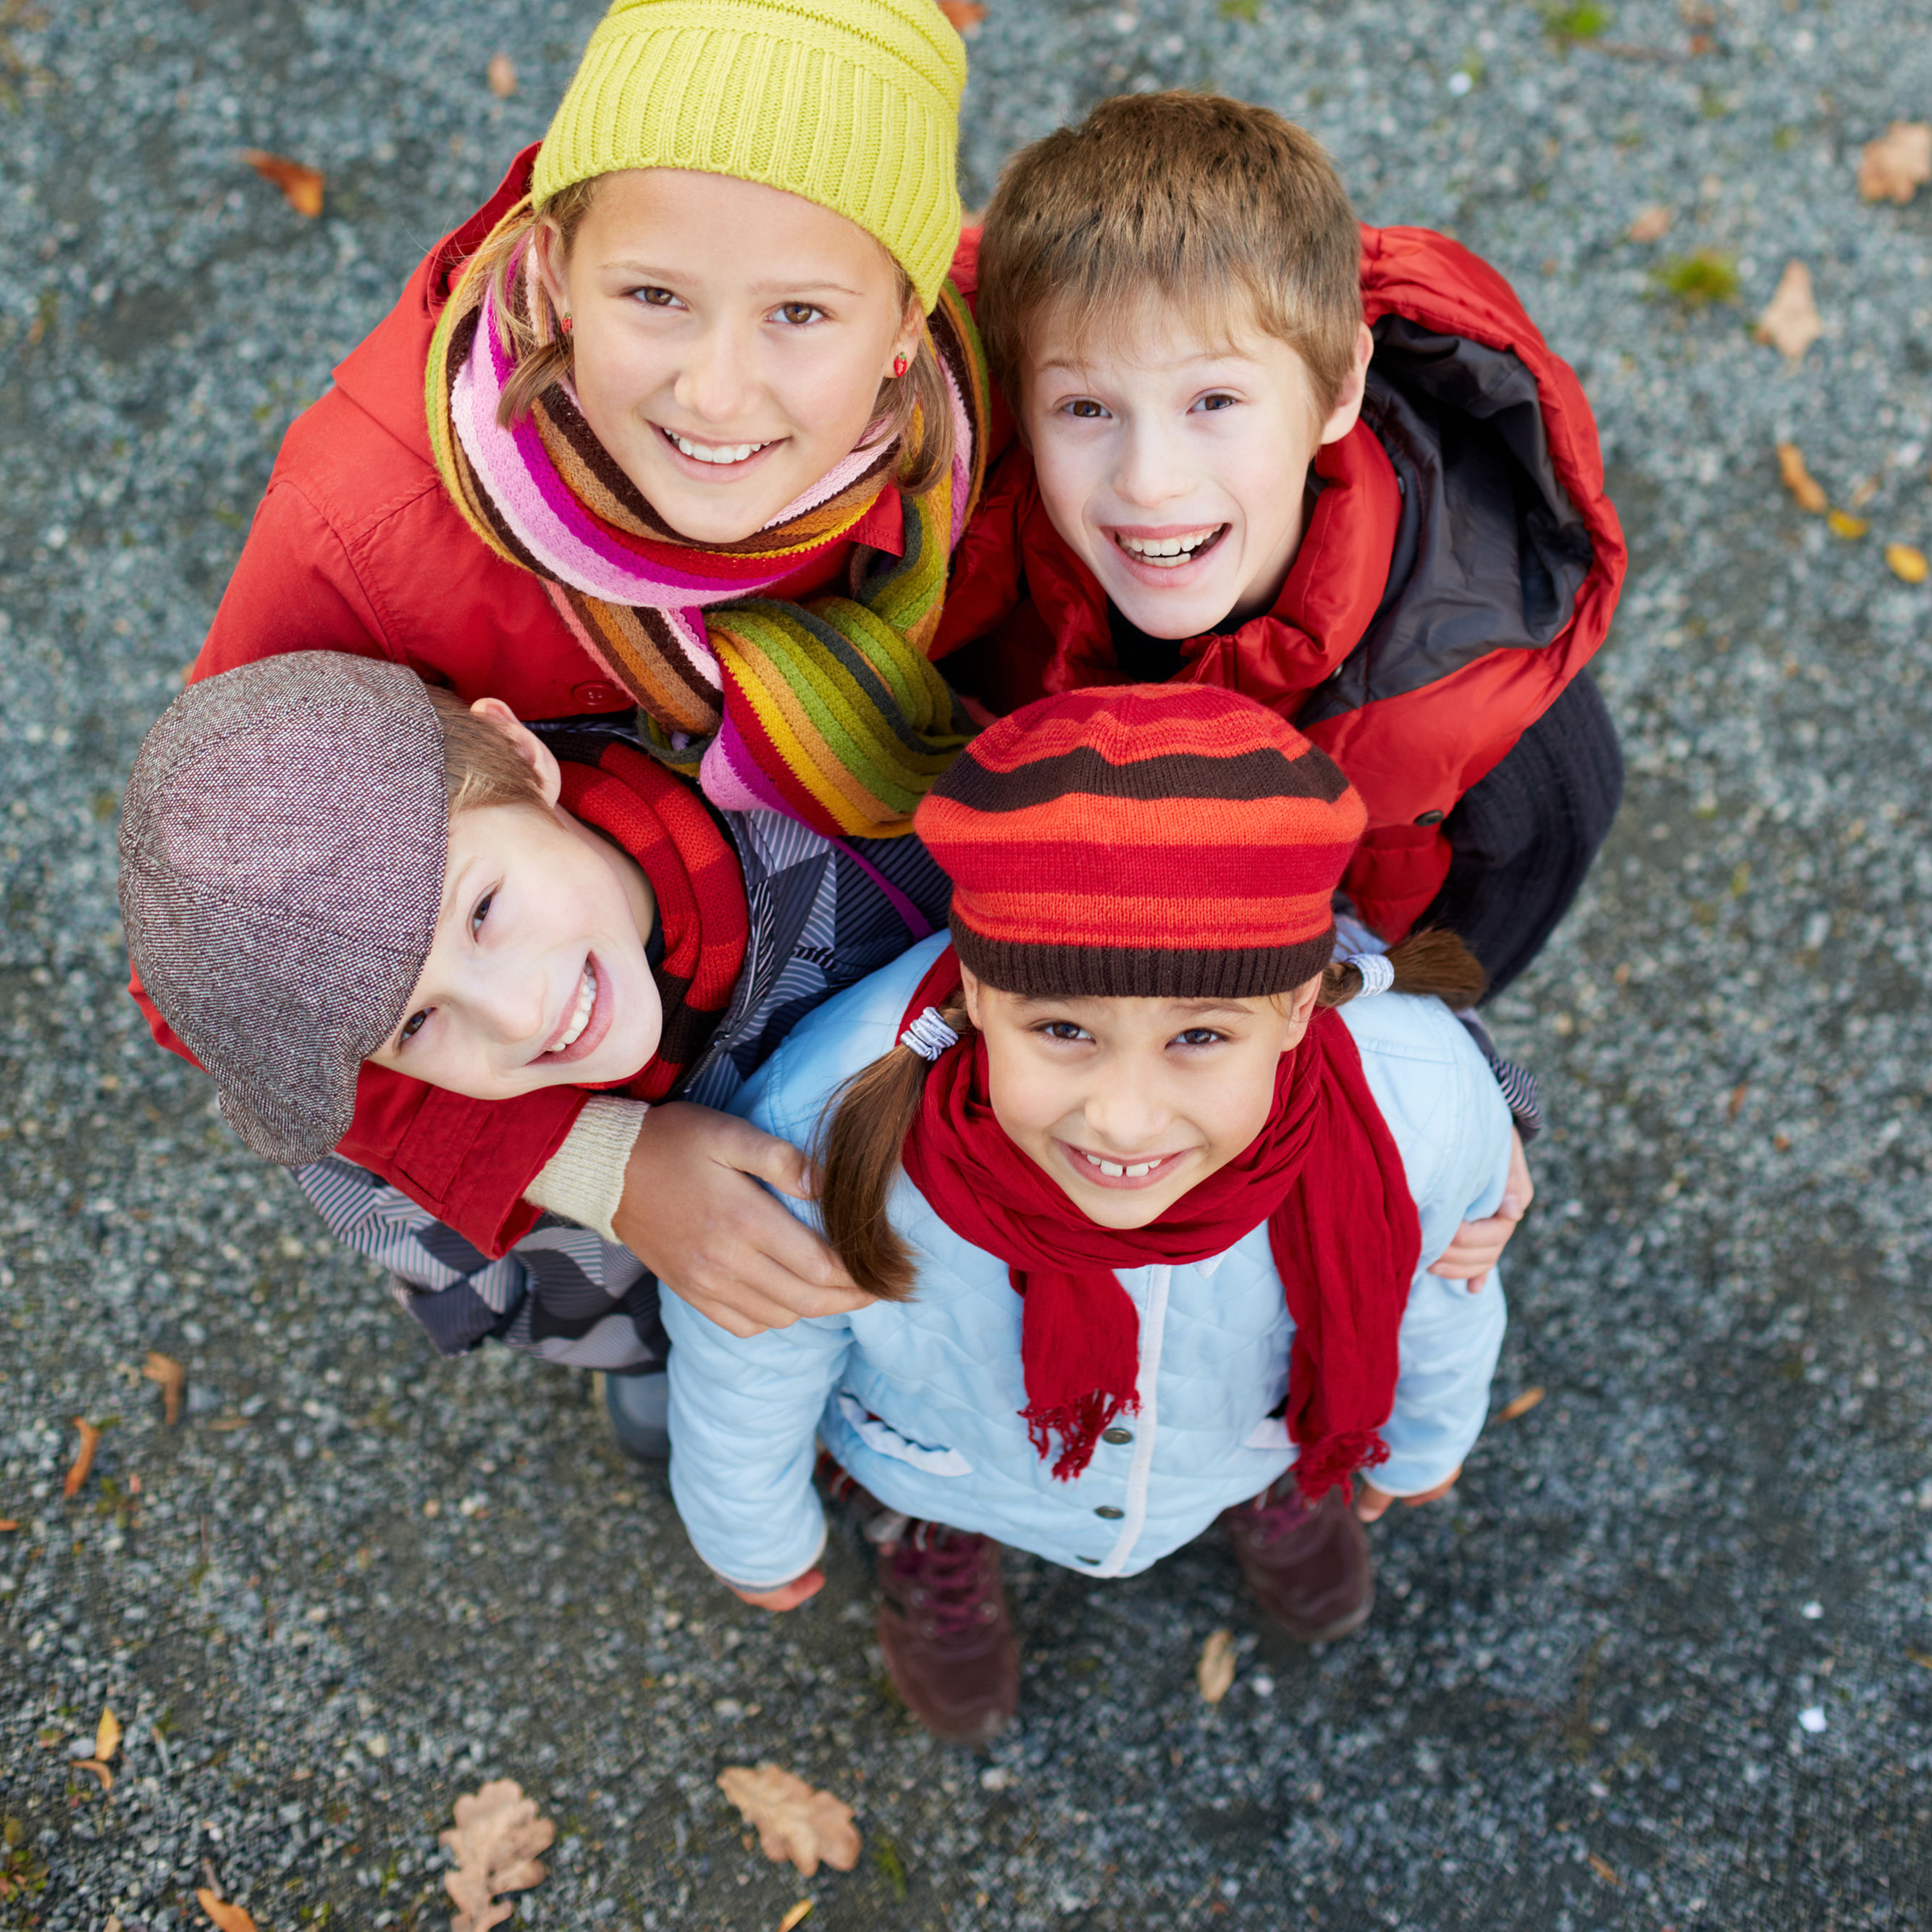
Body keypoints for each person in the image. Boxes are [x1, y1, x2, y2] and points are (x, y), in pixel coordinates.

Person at [140, 0, 998, 1337]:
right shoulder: (365, 528)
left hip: (844, 960)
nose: (717, 394)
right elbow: (207, 961)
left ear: (908, 319)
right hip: (581, 1070)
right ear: (552, 263)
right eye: (652, 297)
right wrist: (600, 1164)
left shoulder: (993, 383)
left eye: (799, 314)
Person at [663, 685, 1514, 1742]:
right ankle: (934, 1537)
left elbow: (1444, 1283)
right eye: (1064, 1030)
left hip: (1245, 1427)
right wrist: (750, 1528)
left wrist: (1420, 1438)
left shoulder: (1417, 1100)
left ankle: (1272, 1483)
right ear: (981, 991)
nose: (1122, 1118)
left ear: (1298, 1006)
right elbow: (749, 1348)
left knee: (1262, 1425)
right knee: (941, 1499)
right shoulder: (825, 1119)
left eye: (1200, 1037)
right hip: (952, 1454)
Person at [118, 652, 952, 1458]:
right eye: (416, 1022)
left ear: (521, 756)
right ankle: (652, 1360)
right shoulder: (392, 1154)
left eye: (481, 911)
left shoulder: (821, 812)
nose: (516, 1019)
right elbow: (479, 1277)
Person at [938, 91, 1626, 996]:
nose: (1149, 481)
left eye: (1214, 402)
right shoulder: (959, 539)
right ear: (1019, 404)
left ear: (1338, 388)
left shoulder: (1490, 712)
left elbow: (1464, 963)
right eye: (1086, 408)